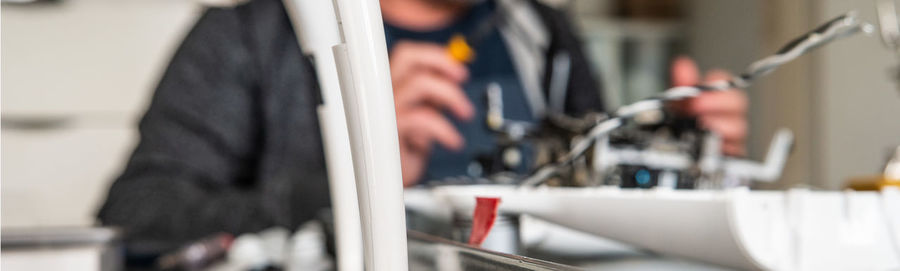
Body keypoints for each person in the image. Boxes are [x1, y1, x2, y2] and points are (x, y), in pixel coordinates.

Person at [97, 0, 747, 264]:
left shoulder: (541, 36)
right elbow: (136, 219)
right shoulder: (249, 37)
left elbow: (589, 197)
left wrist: (675, 154)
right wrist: (359, 177)